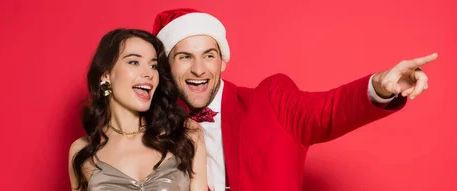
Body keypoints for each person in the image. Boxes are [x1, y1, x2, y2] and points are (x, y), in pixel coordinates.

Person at [152, 8, 437, 191]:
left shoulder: (271, 101)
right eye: (185, 57)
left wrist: (380, 86)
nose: (199, 70)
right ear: (167, 66)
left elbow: (331, 109)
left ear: (223, 62)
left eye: (209, 56)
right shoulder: (153, 125)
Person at [67, 28, 208, 191]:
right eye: (134, 62)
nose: (148, 73)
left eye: (153, 65)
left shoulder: (185, 134)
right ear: (106, 75)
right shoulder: (82, 152)